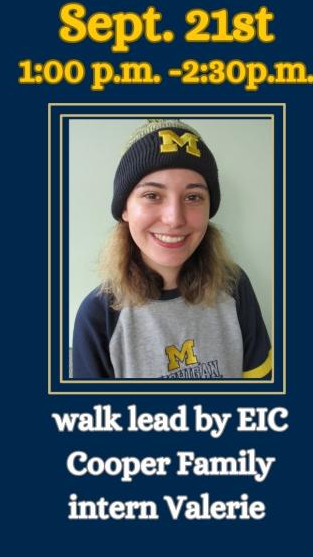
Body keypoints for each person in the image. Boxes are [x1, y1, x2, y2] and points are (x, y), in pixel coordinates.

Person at [71, 120, 271, 379]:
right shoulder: (98, 316)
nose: (174, 218)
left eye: (193, 197)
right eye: (152, 195)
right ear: (124, 209)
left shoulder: (234, 285)